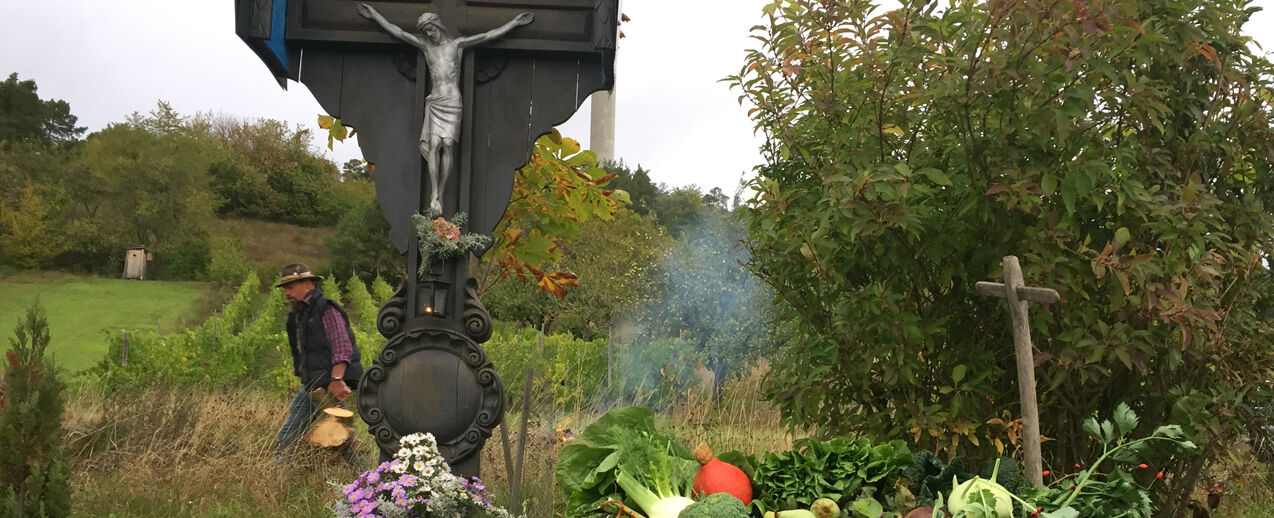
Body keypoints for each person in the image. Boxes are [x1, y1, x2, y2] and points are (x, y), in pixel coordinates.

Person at [356, 3, 533, 214]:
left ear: (438, 26)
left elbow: (487, 36)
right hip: (436, 101)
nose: (429, 34)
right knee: (434, 145)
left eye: (430, 29)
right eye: (425, 31)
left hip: (452, 100)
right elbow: (399, 32)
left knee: (448, 144)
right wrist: (375, 15)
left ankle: (441, 190)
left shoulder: (457, 45)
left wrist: (514, 23)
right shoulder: (426, 47)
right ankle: (435, 195)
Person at [273, 263, 365, 467]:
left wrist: (337, 379)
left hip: (326, 386)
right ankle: (368, 481)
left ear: (307, 283)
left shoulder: (325, 308)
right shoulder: (302, 313)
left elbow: (342, 345)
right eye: (285, 288)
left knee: (342, 439)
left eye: (290, 286)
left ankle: (369, 483)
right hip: (313, 385)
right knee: (340, 438)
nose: (287, 292)